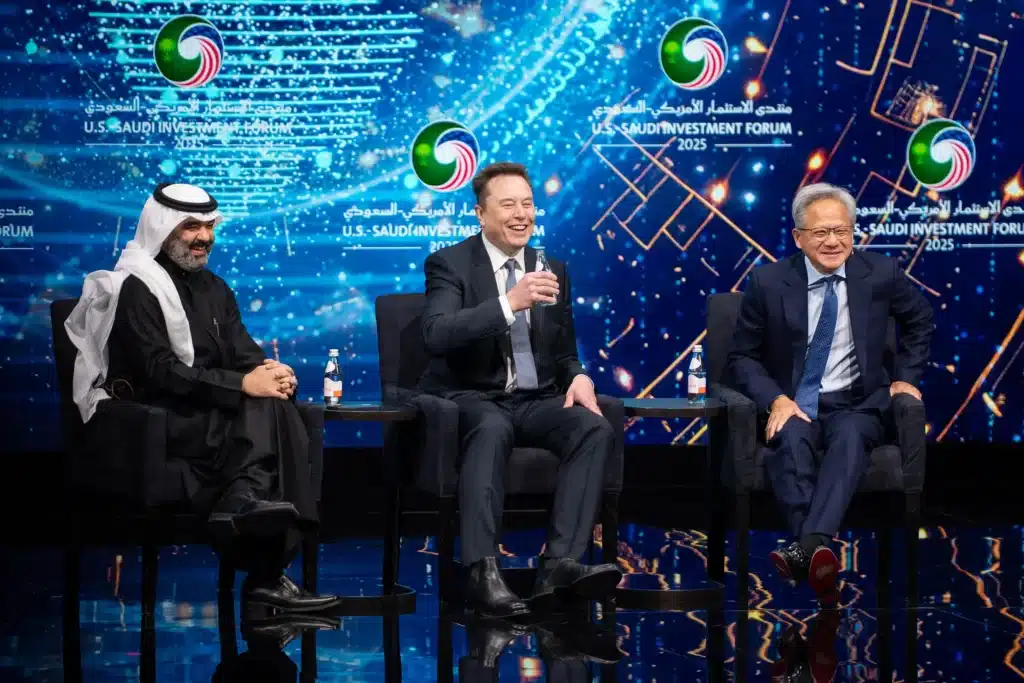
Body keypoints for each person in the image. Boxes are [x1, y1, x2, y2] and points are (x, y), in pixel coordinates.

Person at [64, 183, 339, 612]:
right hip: (157, 417)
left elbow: (245, 354)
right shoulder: (137, 288)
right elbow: (160, 372)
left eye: (209, 226)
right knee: (267, 415)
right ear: (163, 229)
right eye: (191, 226)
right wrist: (244, 385)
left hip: (211, 413)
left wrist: (273, 375)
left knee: (275, 405)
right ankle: (265, 569)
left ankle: (244, 507)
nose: (204, 237)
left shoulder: (215, 288)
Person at [419, 162, 622, 619]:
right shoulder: (450, 264)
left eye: (527, 204)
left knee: (593, 428)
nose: (521, 215)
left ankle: (560, 566)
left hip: (535, 400)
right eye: (508, 204)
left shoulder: (551, 268)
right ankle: (482, 572)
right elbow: (436, 333)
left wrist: (579, 376)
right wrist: (509, 303)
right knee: (491, 428)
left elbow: (564, 351)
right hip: (474, 396)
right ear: (480, 214)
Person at [726, 182, 933, 604]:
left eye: (842, 231)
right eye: (821, 232)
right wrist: (776, 400)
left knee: (852, 436)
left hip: (858, 403)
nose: (833, 241)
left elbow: (920, 320)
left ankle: (807, 547)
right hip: (795, 403)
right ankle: (817, 550)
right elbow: (741, 357)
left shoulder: (881, 273)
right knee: (790, 440)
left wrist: (906, 376)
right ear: (798, 237)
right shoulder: (768, 282)